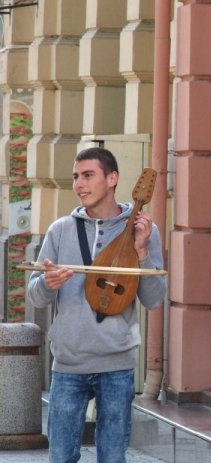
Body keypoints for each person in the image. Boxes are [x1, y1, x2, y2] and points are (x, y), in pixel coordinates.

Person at [27, 147, 167, 463]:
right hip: (68, 363)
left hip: (117, 363)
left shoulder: (144, 230)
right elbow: (35, 296)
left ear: (112, 178)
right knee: (61, 457)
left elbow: (154, 299)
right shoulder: (61, 230)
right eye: (76, 177)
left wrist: (142, 252)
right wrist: (47, 284)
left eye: (88, 175)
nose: (79, 184)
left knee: (112, 457)